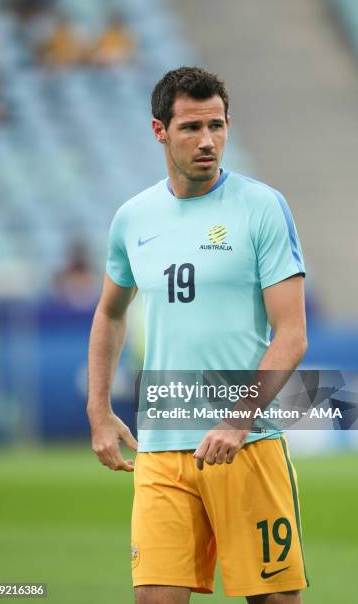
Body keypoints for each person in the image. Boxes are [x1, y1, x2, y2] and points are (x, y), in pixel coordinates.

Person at [87, 66, 309, 603]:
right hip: (161, 450)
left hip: (247, 446)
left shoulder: (262, 208)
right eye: (190, 127)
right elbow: (110, 313)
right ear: (159, 130)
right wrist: (99, 408)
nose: (207, 140)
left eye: (217, 125)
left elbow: (292, 335)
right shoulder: (133, 218)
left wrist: (238, 420)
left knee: (274, 600)